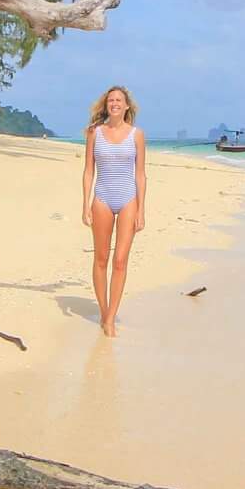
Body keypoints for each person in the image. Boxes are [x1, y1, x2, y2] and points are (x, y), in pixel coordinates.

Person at [80, 84, 147, 336]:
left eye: (119, 100)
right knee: (101, 259)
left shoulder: (137, 135)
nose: (115, 103)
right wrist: (85, 204)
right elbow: (88, 171)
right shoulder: (94, 133)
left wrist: (141, 209)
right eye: (111, 100)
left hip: (128, 199)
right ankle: (103, 311)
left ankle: (110, 319)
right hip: (102, 199)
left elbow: (140, 175)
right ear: (106, 105)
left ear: (127, 106)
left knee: (120, 261)